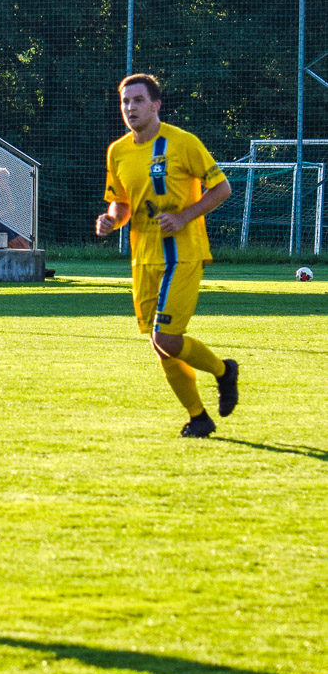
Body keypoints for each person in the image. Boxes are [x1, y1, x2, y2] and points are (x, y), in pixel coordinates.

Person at [95, 73, 239, 437]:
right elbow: (121, 204)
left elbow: (221, 188)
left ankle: (224, 371)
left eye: (138, 100)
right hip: (143, 258)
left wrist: (183, 216)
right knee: (161, 346)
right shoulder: (118, 151)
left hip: (183, 254)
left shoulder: (181, 142)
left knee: (166, 339)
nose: (130, 107)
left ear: (156, 104)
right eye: (125, 101)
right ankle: (199, 417)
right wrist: (111, 221)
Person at [0, 167, 33, 250]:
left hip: (7, 221)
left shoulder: (7, 190)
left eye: (5, 177)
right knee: (16, 243)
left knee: (24, 240)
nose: (3, 180)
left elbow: (12, 207)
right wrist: (7, 212)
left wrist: (8, 192)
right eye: (1, 177)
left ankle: (31, 258)